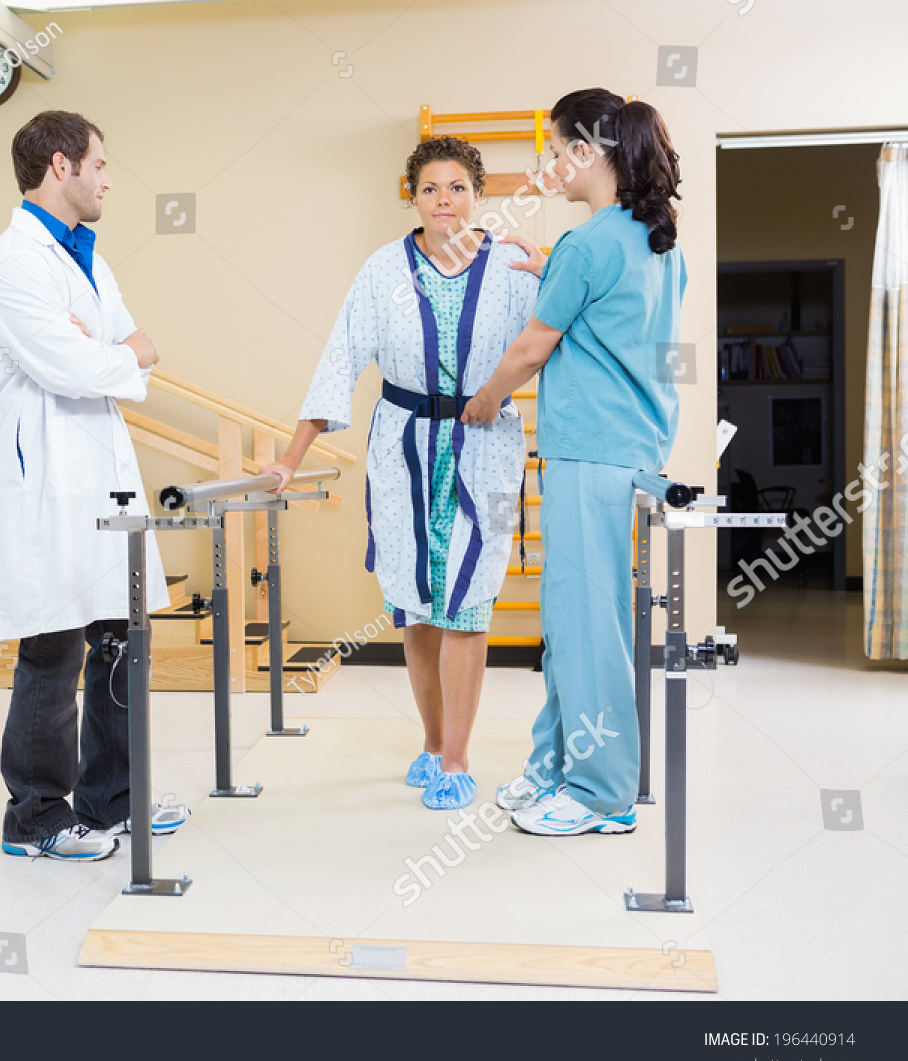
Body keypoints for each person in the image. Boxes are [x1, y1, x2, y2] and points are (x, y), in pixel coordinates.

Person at [264, 136, 539, 811]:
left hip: (489, 445)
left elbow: (558, 333)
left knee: (469, 604)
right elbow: (338, 362)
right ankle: (430, 738)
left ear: (479, 194)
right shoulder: (382, 269)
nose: (444, 201)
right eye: (430, 189)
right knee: (417, 609)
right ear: (411, 195)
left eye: (458, 188)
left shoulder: (514, 264)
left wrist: (555, 262)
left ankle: (457, 756)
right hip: (403, 449)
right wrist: (291, 458)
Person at [462, 89, 685, 836]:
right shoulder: (650, 238)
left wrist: (486, 398)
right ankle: (556, 761)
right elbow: (617, 306)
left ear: (590, 151)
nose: (550, 164)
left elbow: (531, 347)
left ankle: (603, 792)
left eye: (557, 150)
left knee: (588, 625)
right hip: (627, 444)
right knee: (571, 616)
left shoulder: (590, 244)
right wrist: (551, 260)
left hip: (590, 449)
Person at [0, 110, 189, 862]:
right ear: (60, 166)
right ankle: (34, 814)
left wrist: (105, 349)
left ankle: (112, 800)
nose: (108, 178)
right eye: (100, 163)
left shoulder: (89, 259)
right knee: (53, 644)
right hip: (47, 480)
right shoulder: (12, 263)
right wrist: (109, 351)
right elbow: (73, 366)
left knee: (120, 636)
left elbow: (141, 351)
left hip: (101, 470)